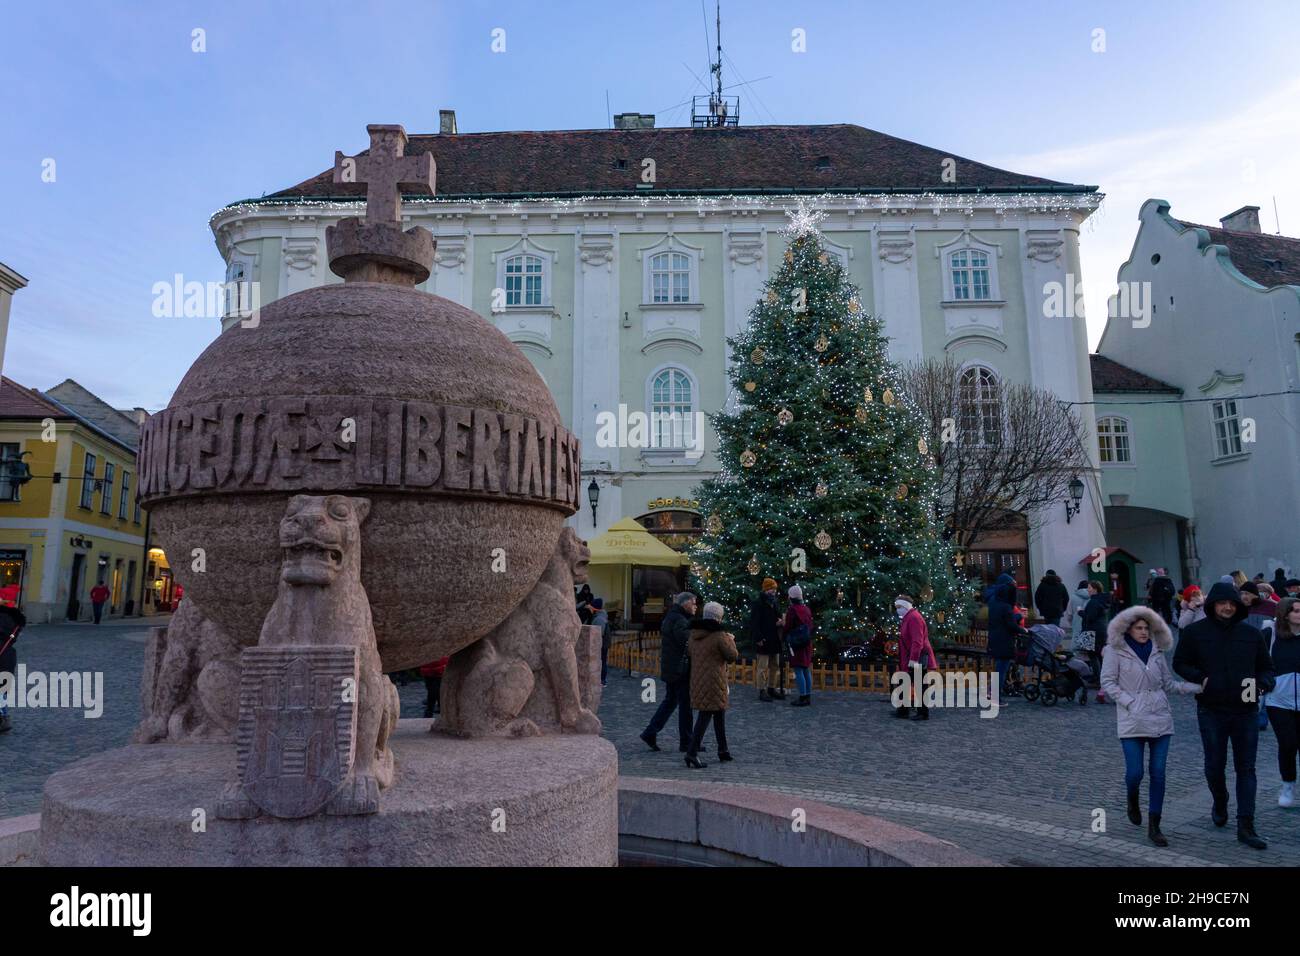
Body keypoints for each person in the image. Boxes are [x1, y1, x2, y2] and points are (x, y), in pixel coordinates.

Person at [1173, 581, 1276, 849]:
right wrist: (1200, 678)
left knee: (1247, 768)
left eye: (1232, 603)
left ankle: (1246, 825)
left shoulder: (1251, 634)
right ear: (1212, 605)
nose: (1228, 607)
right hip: (1212, 709)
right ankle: (1220, 800)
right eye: (1222, 603)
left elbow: (1266, 668)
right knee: (1214, 766)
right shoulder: (1195, 632)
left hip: (1246, 710)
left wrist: (1262, 684)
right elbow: (1180, 663)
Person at [1101, 606, 1202, 847]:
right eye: (1139, 628)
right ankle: (1132, 798)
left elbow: (1168, 683)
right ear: (1128, 630)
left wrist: (1196, 688)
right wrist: (1129, 702)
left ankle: (1155, 825)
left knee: (1159, 774)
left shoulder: (1157, 651)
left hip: (1160, 718)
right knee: (1135, 772)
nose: (1144, 632)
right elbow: (1107, 682)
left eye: (1147, 628)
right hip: (1132, 718)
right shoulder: (1116, 652)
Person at [639, 591, 698, 753]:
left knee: (670, 701)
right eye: (693, 603)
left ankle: (650, 732)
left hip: (672, 668)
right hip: (680, 670)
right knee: (685, 705)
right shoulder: (679, 620)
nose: (695, 607)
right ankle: (686, 742)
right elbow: (687, 643)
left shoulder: (672, 617)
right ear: (684, 604)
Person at [684, 601, 739, 768]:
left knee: (718, 715)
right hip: (715, 681)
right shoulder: (720, 636)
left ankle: (723, 750)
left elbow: (690, 654)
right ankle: (691, 753)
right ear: (718, 618)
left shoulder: (694, 635)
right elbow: (732, 656)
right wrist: (731, 640)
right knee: (706, 717)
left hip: (698, 680)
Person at [1262, 597, 1300, 808]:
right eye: (1296, 611)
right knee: (1288, 744)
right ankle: (1288, 784)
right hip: (1278, 701)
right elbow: (1254, 665)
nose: (1299, 614)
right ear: (1285, 614)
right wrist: (1248, 699)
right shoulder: (1270, 634)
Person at [894, 594, 937, 720]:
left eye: (899, 606)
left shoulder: (913, 618)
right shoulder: (909, 617)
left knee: (918, 685)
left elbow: (917, 642)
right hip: (912, 656)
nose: (897, 609)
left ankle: (922, 713)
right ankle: (903, 710)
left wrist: (913, 660)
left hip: (917, 657)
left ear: (905, 606)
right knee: (906, 682)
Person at [987, 580, 1025, 697]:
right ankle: (995, 695)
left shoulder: (994, 605)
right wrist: (1022, 629)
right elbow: (1011, 624)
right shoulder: (1006, 607)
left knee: (1000, 667)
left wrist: (1015, 617)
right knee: (1001, 669)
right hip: (1005, 641)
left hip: (995, 639)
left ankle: (991, 691)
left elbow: (1003, 620)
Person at [750, 578, 783, 702]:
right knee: (762, 667)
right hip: (763, 639)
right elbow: (754, 622)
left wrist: (780, 621)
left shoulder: (774, 602)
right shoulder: (758, 603)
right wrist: (758, 637)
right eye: (771, 589)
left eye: (774, 589)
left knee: (775, 665)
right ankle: (762, 690)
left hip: (774, 638)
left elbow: (777, 616)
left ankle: (771, 688)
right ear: (765, 589)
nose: (773, 591)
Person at [784, 585, 814, 707]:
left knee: (798, 669)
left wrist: (784, 636)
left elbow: (788, 626)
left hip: (797, 643)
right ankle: (807, 695)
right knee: (806, 669)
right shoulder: (806, 608)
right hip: (807, 642)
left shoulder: (792, 610)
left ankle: (802, 697)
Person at [1079, 581, 1111, 689]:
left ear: (1095, 589)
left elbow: (1090, 617)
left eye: (1089, 588)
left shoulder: (1093, 602)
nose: (1088, 590)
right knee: (1100, 655)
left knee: (1093, 656)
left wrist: (1080, 612)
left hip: (1091, 631)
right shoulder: (1103, 600)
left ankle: (1098, 679)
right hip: (1101, 630)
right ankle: (1103, 678)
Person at [0, 603, 24, 733]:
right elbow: (13, 639)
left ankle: (3, 718)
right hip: (7, 657)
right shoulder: (15, 623)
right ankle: (3, 717)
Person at [589, 598, 611, 686]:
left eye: (591, 607)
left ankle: (602, 680)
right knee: (602, 661)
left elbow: (599, 634)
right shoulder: (600, 616)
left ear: (595, 608)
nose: (590, 609)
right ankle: (602, 679)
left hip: (601, 644)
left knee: (601, 661)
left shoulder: (599, 619)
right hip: (603, 644)